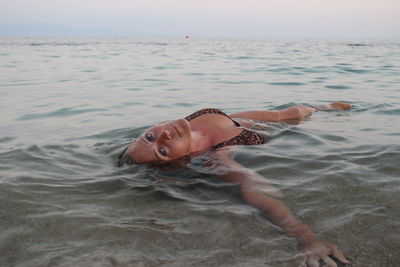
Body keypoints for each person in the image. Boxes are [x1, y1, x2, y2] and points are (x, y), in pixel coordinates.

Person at [118, 102, 352, 267]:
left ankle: (324, 108)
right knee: (293, 114)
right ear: (177, 160)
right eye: (162, 151)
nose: (163, 137)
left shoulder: (179, 128)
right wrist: (305, 236)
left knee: (290, 111)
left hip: (238, 117)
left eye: (150, 137)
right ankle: (327, 112)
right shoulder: (215, 158)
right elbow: (252, 191)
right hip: (256, 129)